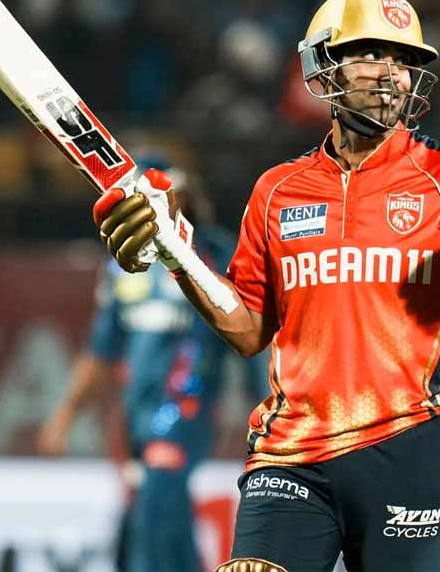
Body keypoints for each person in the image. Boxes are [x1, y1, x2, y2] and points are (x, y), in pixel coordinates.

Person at [93, 0, 440, 572]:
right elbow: (249, 330)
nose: (392, 74)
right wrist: (179, 253)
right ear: (322, 67)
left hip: (412, 447)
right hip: (292, 452)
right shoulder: (277, 190)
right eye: (371, 54)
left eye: (404, 60)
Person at [38, 160, 268, 572]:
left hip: (187, 405)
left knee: (159, 498)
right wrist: (64, 417)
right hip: (137, 413)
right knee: (146, 514)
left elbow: (250, 326)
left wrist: (267, 413)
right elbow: (101, 350)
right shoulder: (124, 269)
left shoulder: (212, 253)